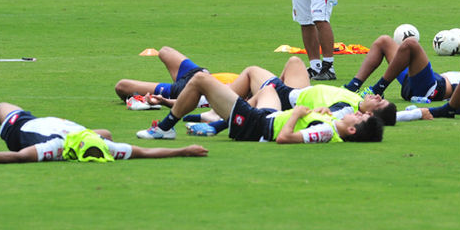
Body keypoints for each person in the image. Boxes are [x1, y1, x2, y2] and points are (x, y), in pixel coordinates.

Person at [180, 56, 414, 135]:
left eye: (380, 102)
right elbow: (398, 116)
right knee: (294, 61)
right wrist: (421, 112)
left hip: (288, 97)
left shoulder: (347, 111)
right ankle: (231, 105)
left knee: (253, 72)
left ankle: (210, 107)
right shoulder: (359, 104)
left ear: (369, 114)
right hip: (299, 90)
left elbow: (326, 115)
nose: (378, 96)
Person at [136, 71, 383, 144]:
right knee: (268, 89)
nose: (358, 115)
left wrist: (296, 114)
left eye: (359, 120)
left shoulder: (327, 132)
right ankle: (217, 124)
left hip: (256, 126)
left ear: (352, 131)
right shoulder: (333, 123)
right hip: (268, 115)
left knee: (201, 79)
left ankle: (165, 127)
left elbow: (285, 138)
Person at [0, 102, 209, 164]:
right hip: (50, 124)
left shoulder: (56, 148)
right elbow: (146, 152)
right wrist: (183, 150)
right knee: (107, 130)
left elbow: (20, 156)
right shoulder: (106, 146)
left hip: (21, 128)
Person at [342, 35, 460, 107]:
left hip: (434, 89)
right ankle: (352, 87)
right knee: (384, 41)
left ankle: (377, 89)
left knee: (410, 45)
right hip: (421, 82)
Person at [113, 46, 237, 109]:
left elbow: (190, 102)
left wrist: (163, 101)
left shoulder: (234, 102)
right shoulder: (252, 83)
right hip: (199, 73)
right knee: (165, 51)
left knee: (121, 86)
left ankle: (137, 99)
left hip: (184, 90)